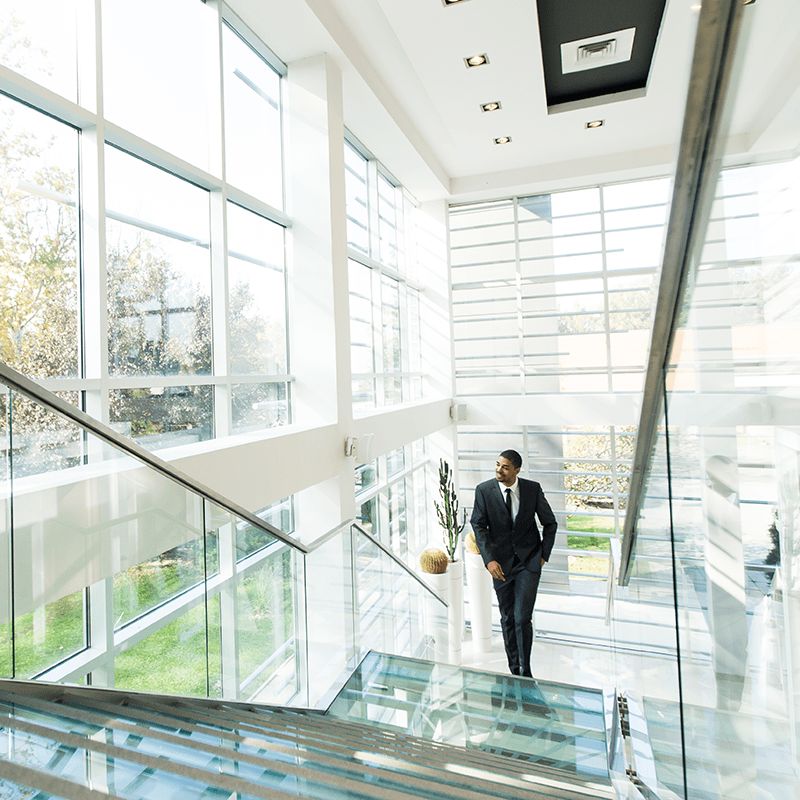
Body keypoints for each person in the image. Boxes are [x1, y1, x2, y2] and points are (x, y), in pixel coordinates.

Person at [470, 449, 557, 678]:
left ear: (517, 470)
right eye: (498, 464)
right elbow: (478, 526)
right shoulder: (484, 491)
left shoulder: (532, 489)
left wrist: (543, 556)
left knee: (522, 617)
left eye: (505, 466)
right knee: (507, 617)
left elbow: (550, 524)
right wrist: (489, 561)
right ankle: (514, 669)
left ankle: (525, 671)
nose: (499, 469)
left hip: (528, 563)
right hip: (500, 565)